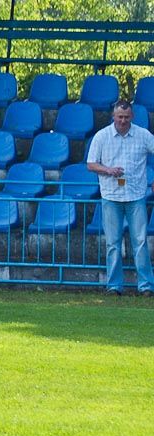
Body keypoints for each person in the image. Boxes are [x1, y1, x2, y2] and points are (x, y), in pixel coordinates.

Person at [86, 100, 154, 297]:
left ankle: (146, 286)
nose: (123, 121)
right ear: (113, 117)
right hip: (111, 195)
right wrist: (107, 170)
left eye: (126, 117)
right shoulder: (101, 136)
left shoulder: (143, 135)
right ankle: (114, 285)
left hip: (136, 195)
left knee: (140, 242)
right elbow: (90, 164)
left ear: (131, 116)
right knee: (113, 243)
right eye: (119, 117)